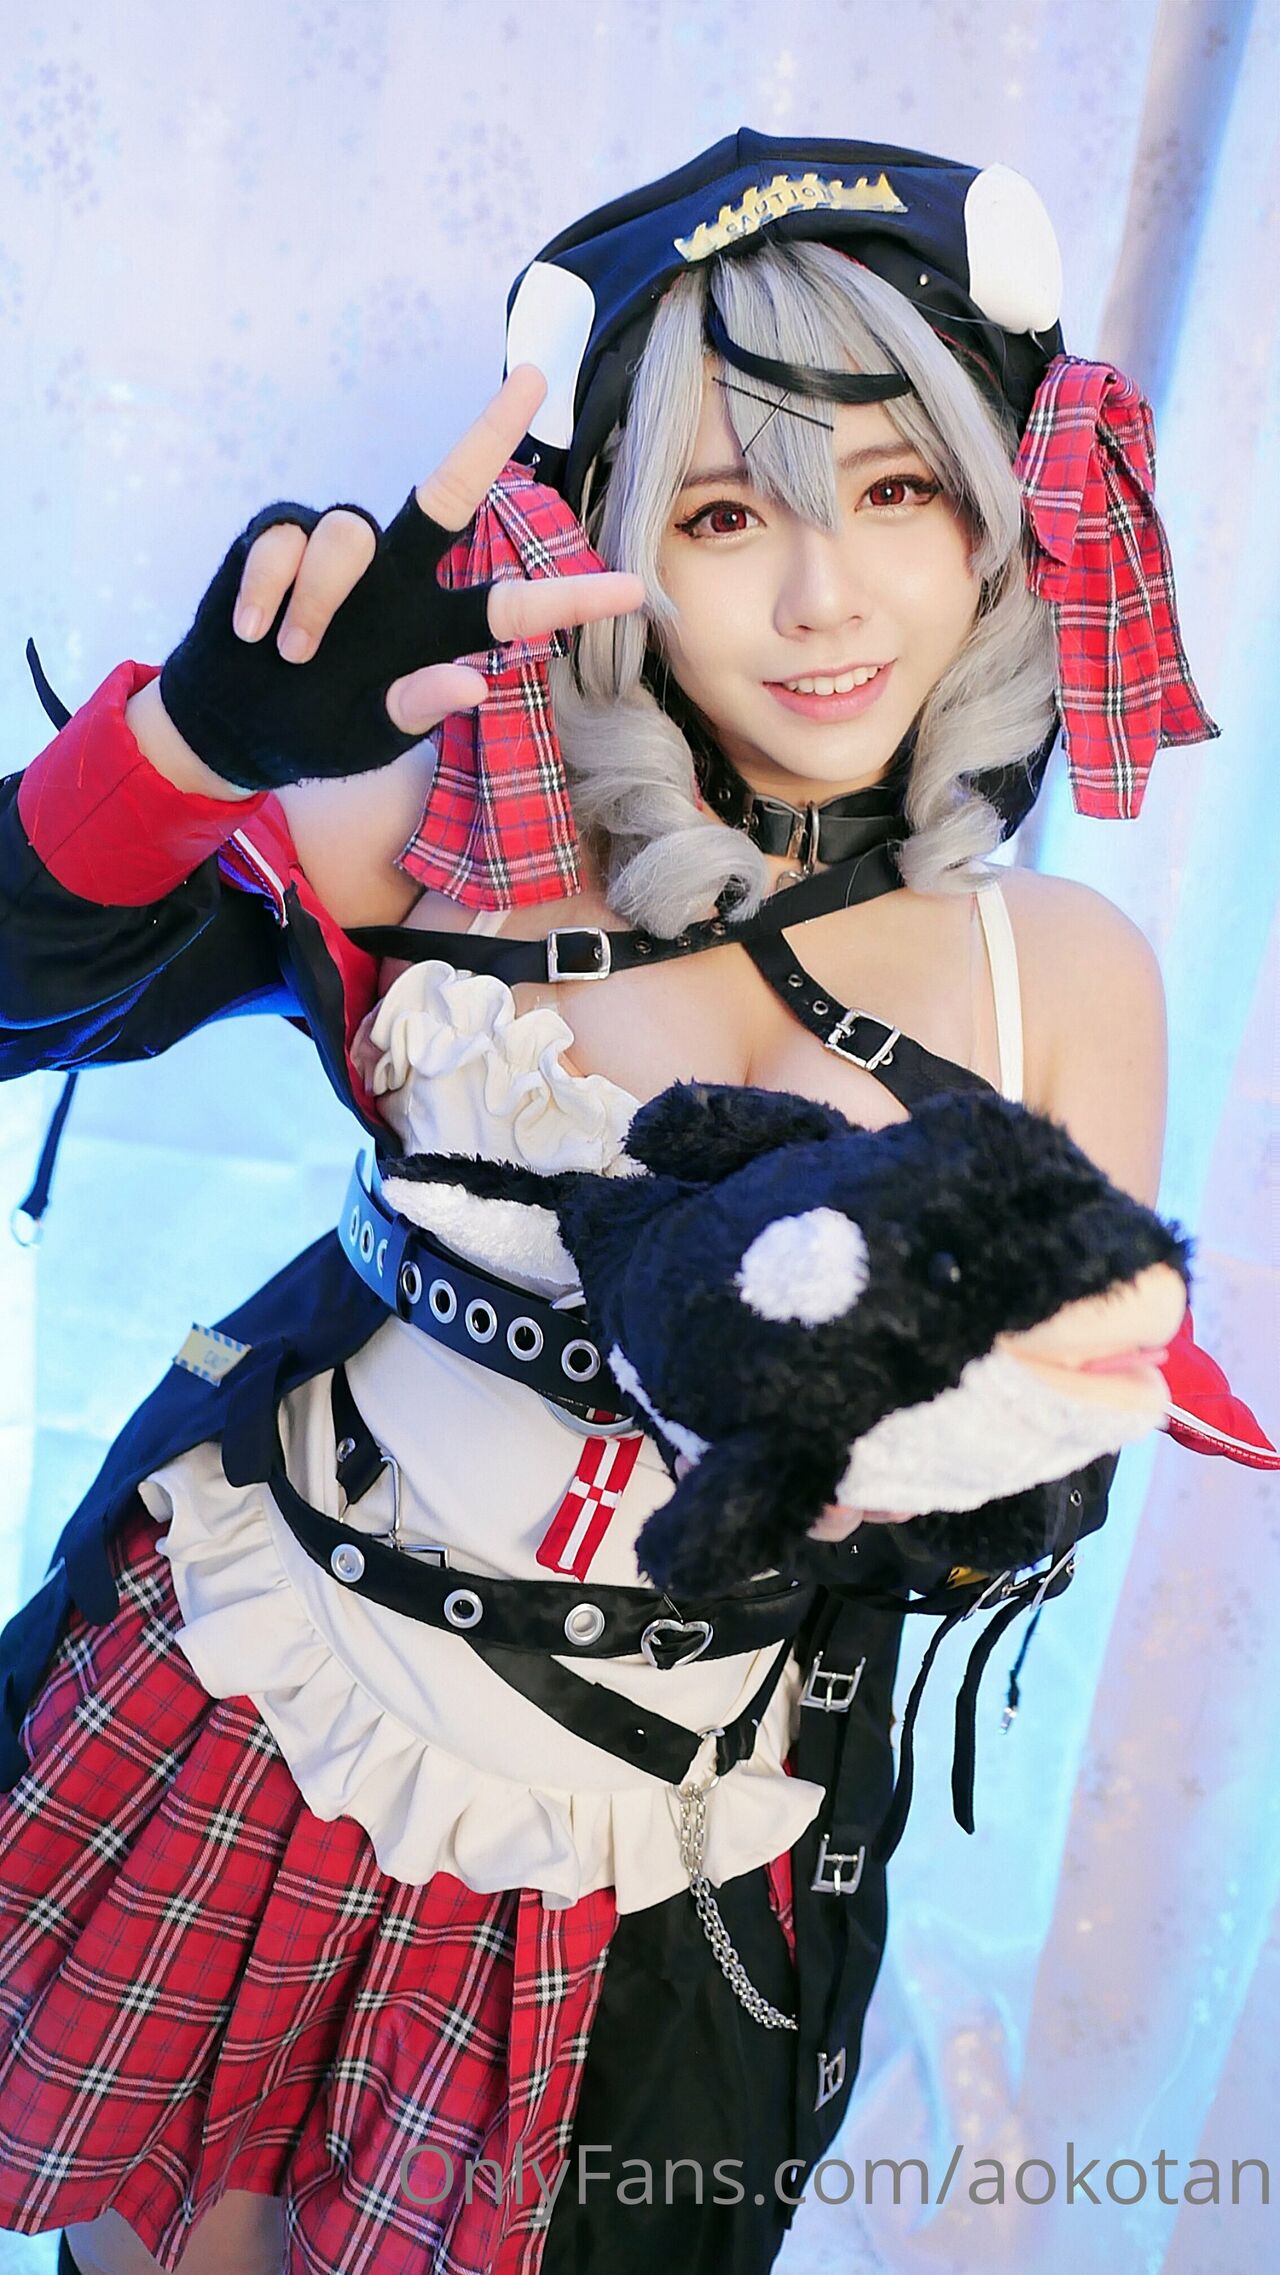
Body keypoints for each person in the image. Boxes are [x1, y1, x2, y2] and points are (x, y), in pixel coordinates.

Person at [0, 128, 1240, 2275]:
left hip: (652, 1846)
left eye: (898, 490)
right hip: (260, 1698)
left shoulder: (1064, 972)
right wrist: (194, 751)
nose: (825, 597)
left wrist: (881, 1398)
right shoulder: (453, 818)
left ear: (997, 515)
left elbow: (1038, 1495)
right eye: (726, 511)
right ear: (608, 536)